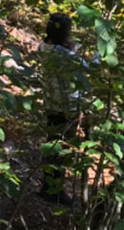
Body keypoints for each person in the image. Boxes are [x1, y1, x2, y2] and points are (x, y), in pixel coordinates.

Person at [37, 12, 91, 205]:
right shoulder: (65, 55)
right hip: (67, 107)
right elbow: (88, 69)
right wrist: (101, 53)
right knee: (61, 147)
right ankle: (55, 190)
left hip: (51, 102)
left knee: (53, 143)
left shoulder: (43, 47)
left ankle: (48, 186)